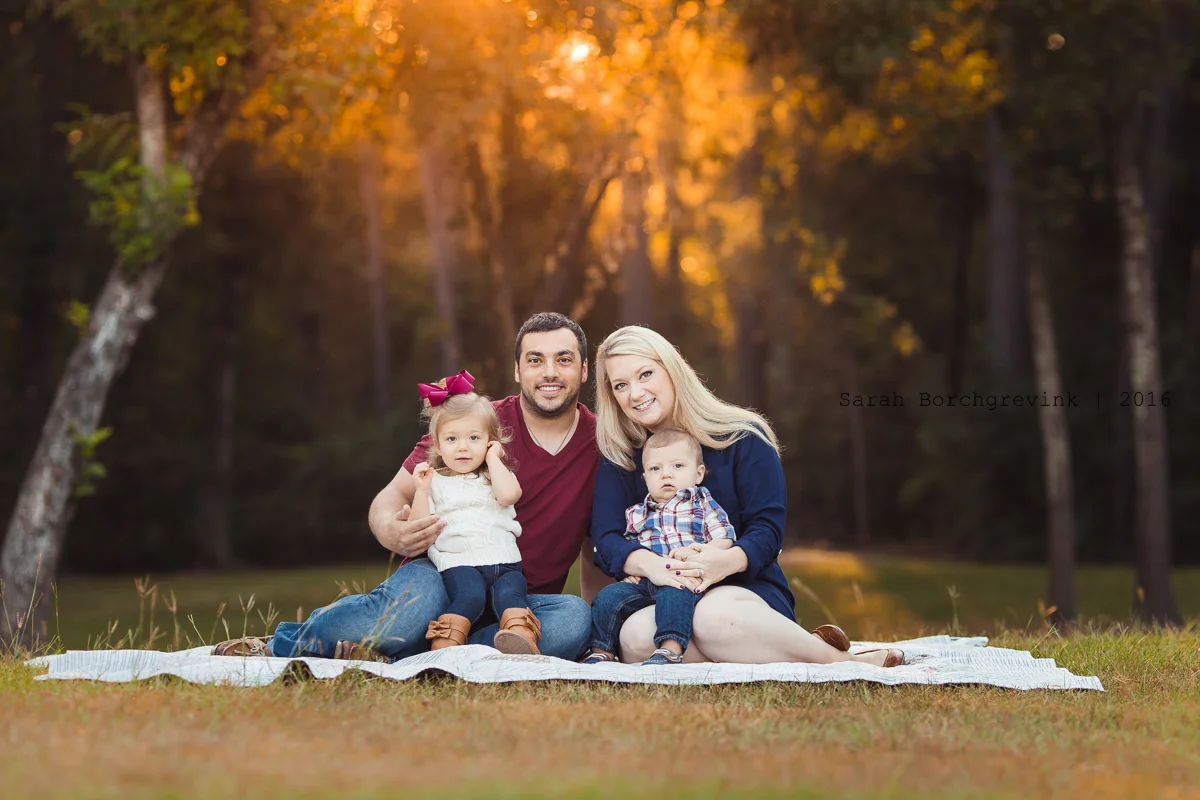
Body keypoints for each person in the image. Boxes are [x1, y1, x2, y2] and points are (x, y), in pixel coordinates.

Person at [213, 313, 604, 662]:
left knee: (573, 620)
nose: (549, 372)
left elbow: (593, 547)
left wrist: (597, 640)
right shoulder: (473, 424)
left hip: (516, 600)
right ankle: (286, 641)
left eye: (563, 360)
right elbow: (391, 496)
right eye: (535, 360)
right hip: (444, 573)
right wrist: (390, 530)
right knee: (407, 614)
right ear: (518, 371)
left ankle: (407, 654)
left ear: (584, 370)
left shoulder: (601, 442)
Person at [589, 325, 903, 668]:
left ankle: (841, 662)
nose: (635, 393)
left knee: (713, 618)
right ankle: (777, 651)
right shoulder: (621, 459)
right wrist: (659, 567)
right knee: (634, 639)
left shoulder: (743, 438)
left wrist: (722, 561)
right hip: (662, 599)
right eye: (621, 385)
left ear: (672, 369)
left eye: (645, 374)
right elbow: (606, 540)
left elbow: (767, 530)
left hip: (743, 592)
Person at [582, 428, 737, 666]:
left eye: (677, 466)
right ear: (645, 479)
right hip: (646, 581)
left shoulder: (701, 503)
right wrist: (629, 570)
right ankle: (602, 650)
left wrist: (701, 553)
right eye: (656, 469)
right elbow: (626, 547)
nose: (666, 475)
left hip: (685, 577)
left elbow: (724, 536)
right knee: (607, 598)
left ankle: (669, 649)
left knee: (674, 594)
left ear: (698, 474)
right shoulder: (636, 513)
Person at [409, 372, 540, 654]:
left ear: (490, 441)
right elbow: (419, 527)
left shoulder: (496, 475)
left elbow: (508, 496)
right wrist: (420, 491)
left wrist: (494, 459)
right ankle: (445, 645)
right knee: (470, 597)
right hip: (460, 563)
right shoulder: (435, 481)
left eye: (474, 438)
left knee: (513, 595)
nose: (463, 446)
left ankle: (520, 638)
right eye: (452, 439)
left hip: (506, 562)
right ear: (437, 444)